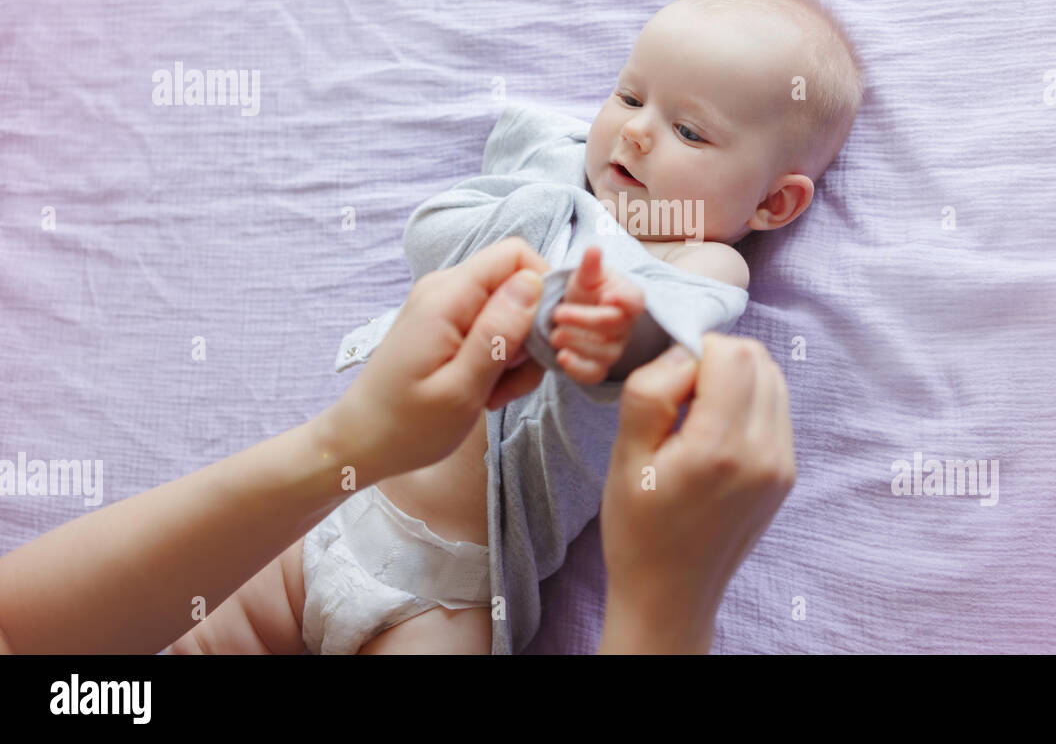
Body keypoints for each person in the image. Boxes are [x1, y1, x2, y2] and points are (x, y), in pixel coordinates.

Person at [0, 238, 795, 654]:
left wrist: (340, 445)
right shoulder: (552, 192)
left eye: (691, 128)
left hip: (371, 547)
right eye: (628, 97)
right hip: (388, 566)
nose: (642, 134)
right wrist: (664, 613)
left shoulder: (699, 252)